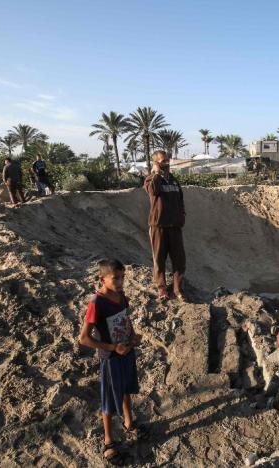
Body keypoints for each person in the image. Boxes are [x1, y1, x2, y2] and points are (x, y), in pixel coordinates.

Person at [78, 259, 146, 465]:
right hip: (111, 359)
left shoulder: (121, 297)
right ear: (102, 279)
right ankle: (108, 440)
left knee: (126, 389)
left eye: (122, 277)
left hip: (126, 352)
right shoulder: (96, 303)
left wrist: (133, 337)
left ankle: (128, 422)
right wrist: (111, 348)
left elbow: (126, 319)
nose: (120, 281)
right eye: (115, 278)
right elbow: (84, 338)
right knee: (108, 399)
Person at [143, 150, 186, 301]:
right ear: (156, 163)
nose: (166, 164)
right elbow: (152, 191)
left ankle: (178, 290)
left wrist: (182, 216)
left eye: (168, 161)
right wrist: (155, 173)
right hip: (158, 226)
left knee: (179, 260)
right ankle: (162, 289)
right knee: (159, 260)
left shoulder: (174, 180)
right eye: (163, 161)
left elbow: (180, 199)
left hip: (175, 227)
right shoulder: (151, 180)